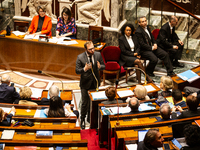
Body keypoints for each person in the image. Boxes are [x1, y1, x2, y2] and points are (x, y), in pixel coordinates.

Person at [76, 41, 105, 129]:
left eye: (93, 48)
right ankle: (83, 119)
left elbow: (104, 65)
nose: (93, 50)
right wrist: (84, 69)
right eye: (90, 49)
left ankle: (90, 118)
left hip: (95, 82)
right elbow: (77, 71)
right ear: (86, 49)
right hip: (85, 83)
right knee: (85, 103)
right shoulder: (80, 57)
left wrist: (100, 67)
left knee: (94, 102)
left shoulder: (98, 54)